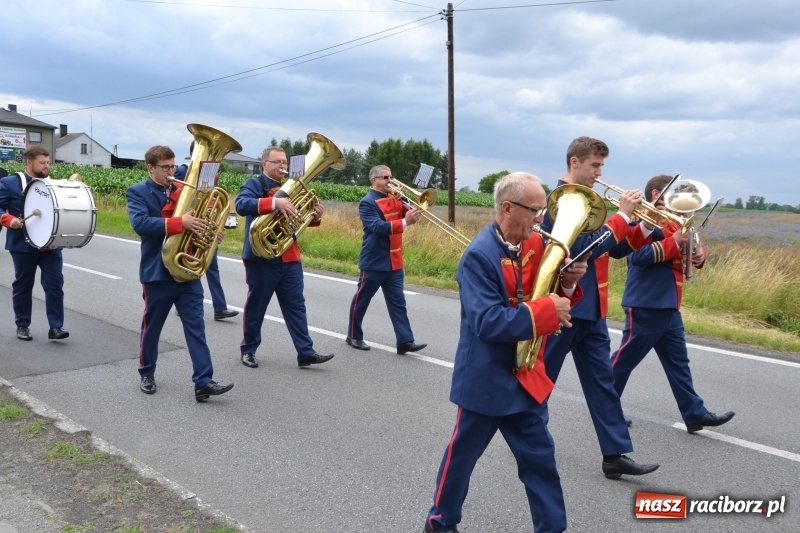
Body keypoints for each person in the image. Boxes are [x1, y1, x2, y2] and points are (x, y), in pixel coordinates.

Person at [424, 172, 588, 533]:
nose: (541, 219)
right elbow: (488, 323)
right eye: (535, 210)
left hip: (525, 379)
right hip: (486, 380)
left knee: (541, 463)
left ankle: (552, 528)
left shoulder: (532, 244)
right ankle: (440, 522)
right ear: (508, 208)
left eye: (543, 210)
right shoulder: (478, 257)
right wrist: (548, 311)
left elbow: (540, 293)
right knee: (461, 460)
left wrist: (569, 282)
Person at [539, 136, 660, 480]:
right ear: (574, 163)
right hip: (563, 307)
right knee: (543, 379)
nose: (599, 173)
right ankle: (531, 441)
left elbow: (615, 249)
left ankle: (614, 454)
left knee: (603, 384)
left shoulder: (591, 202)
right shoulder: (559, 201)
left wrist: (644, 224)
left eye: (601, 166)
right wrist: (621, 216)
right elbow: (581, 248)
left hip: (593, 310)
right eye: (594, 165)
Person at [611, 174, 735, 433]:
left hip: (668, 303)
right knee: (623, 361)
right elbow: (637, 257)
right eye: (675, 193)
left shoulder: (675, 223)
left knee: (679, 363)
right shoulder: (646, 223)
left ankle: (694, 413)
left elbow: (687, 257)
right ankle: (605, 409)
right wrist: (674, 242)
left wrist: (698, 254)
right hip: (646, 302)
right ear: (657, 194)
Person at [126, 145, 233, 402]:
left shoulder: (184, 189)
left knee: (196, 328)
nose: (172, 172)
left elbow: (198, 221)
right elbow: (140, 224)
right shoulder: (138, 192)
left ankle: (203, 381)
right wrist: (179, 223)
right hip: (157, 273)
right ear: (150, 168)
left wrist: (210, 231)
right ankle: (147, 373)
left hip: (187, 271)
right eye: (165, 167)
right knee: (152, 328)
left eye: (173, 166)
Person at [234, 145, 334, 369]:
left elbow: (300, 218)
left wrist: (315, 216)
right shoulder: (255, 184)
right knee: (257, 306)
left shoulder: (294, 187)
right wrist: (273, 203)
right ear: (264, 165)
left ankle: (305, 352)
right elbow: (241, 205)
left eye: (284, 163)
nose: (282, 166)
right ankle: (248, 349)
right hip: (260, 257)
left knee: (296, 306)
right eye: (277, 162)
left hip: (289, 257)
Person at [344, 165, 427, 354]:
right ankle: (353, 335)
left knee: (398, 302)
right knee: (362, 299)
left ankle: (405, 340)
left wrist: (407, 203)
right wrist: (406, 221)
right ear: (374, 180)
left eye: (391, 177)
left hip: (394, 260)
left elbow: (414, 212)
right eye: (385, 177)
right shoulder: (367, 202)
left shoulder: (394, 198)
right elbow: (377, 227)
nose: (390, 181)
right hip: (374, 260)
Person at [0, 146, 72, 341]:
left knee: (55, 284)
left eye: (48, 162)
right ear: (29, 162)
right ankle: (22, 325)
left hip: (50, 246)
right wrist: (9, 220)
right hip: (23, 246)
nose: (46, 166)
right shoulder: (9, 183)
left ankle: (56, 327)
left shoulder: (53, 185)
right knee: (24, 285)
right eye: (42, 162)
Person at [174, 142, 238, 321]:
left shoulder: (212, 172)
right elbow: (182, 199)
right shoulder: (182, 171)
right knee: (187, 264)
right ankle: (181, 301)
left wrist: (216, 225)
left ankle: (220, 307)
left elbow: (211, 198)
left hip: (206, 225)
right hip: (190, 223)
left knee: (210, 266)